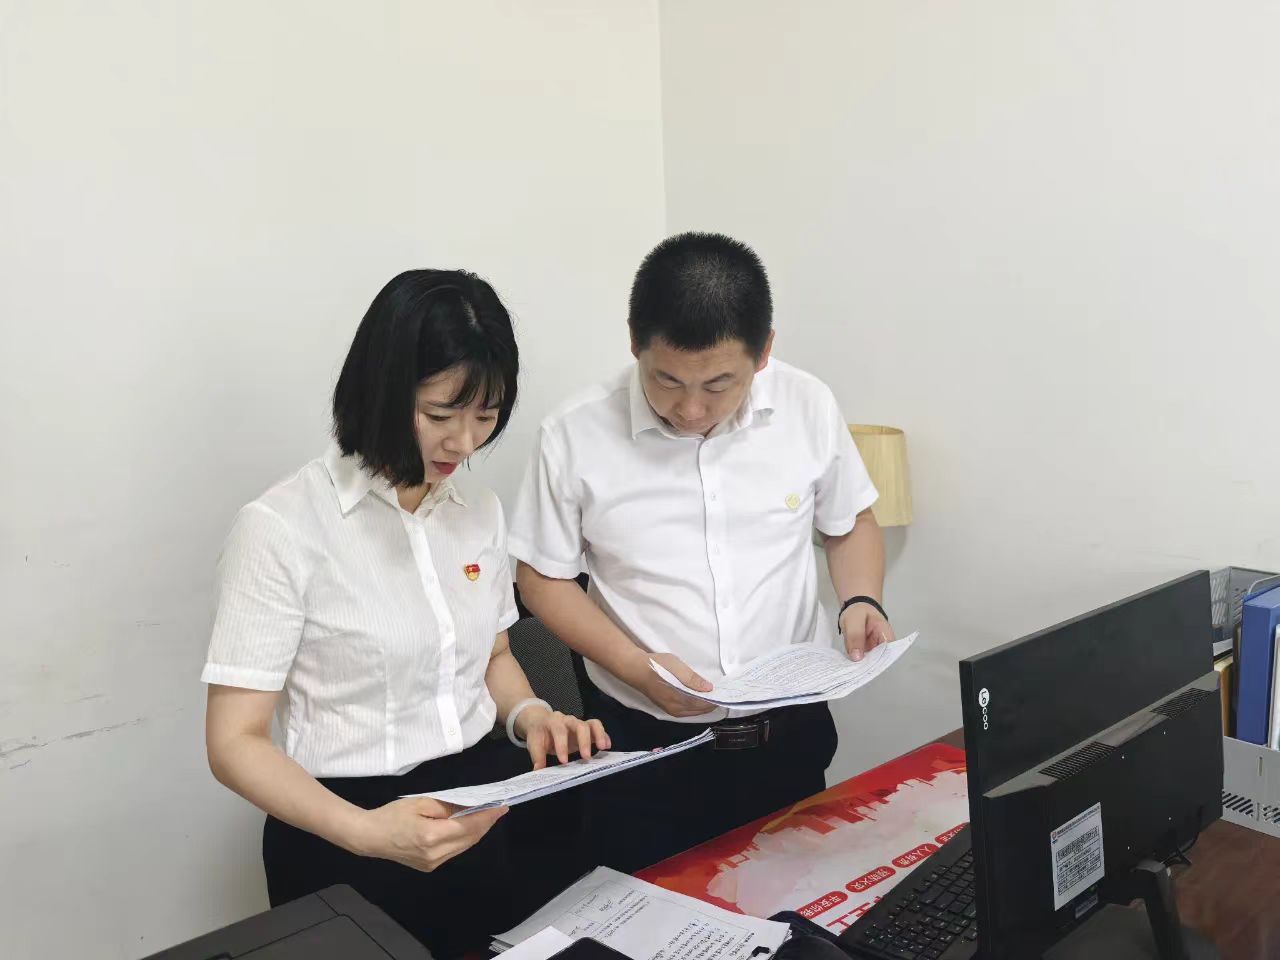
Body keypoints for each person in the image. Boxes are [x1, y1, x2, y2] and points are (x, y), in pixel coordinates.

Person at [202, 269, 609, 958]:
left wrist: (530, 715)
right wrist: (366, 832)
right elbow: (234, 742)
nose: (465, 444)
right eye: (441, 415)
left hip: (479, 813)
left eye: (486, 417)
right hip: (341, 834)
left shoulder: (478, 511)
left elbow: (493, 655)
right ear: (381, 390)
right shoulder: (282, 527)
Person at [509, 232, 895, 873]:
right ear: (634, 342)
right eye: (665, 379)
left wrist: (862, 599)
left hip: (789, 737)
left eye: (719, 384)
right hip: (644, 748)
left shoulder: (807, 405)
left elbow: (849, 521)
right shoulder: (574, 433)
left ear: (764, 352)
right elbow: (541, 579)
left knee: (797, 904)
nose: (689, 408)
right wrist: (636, 667)